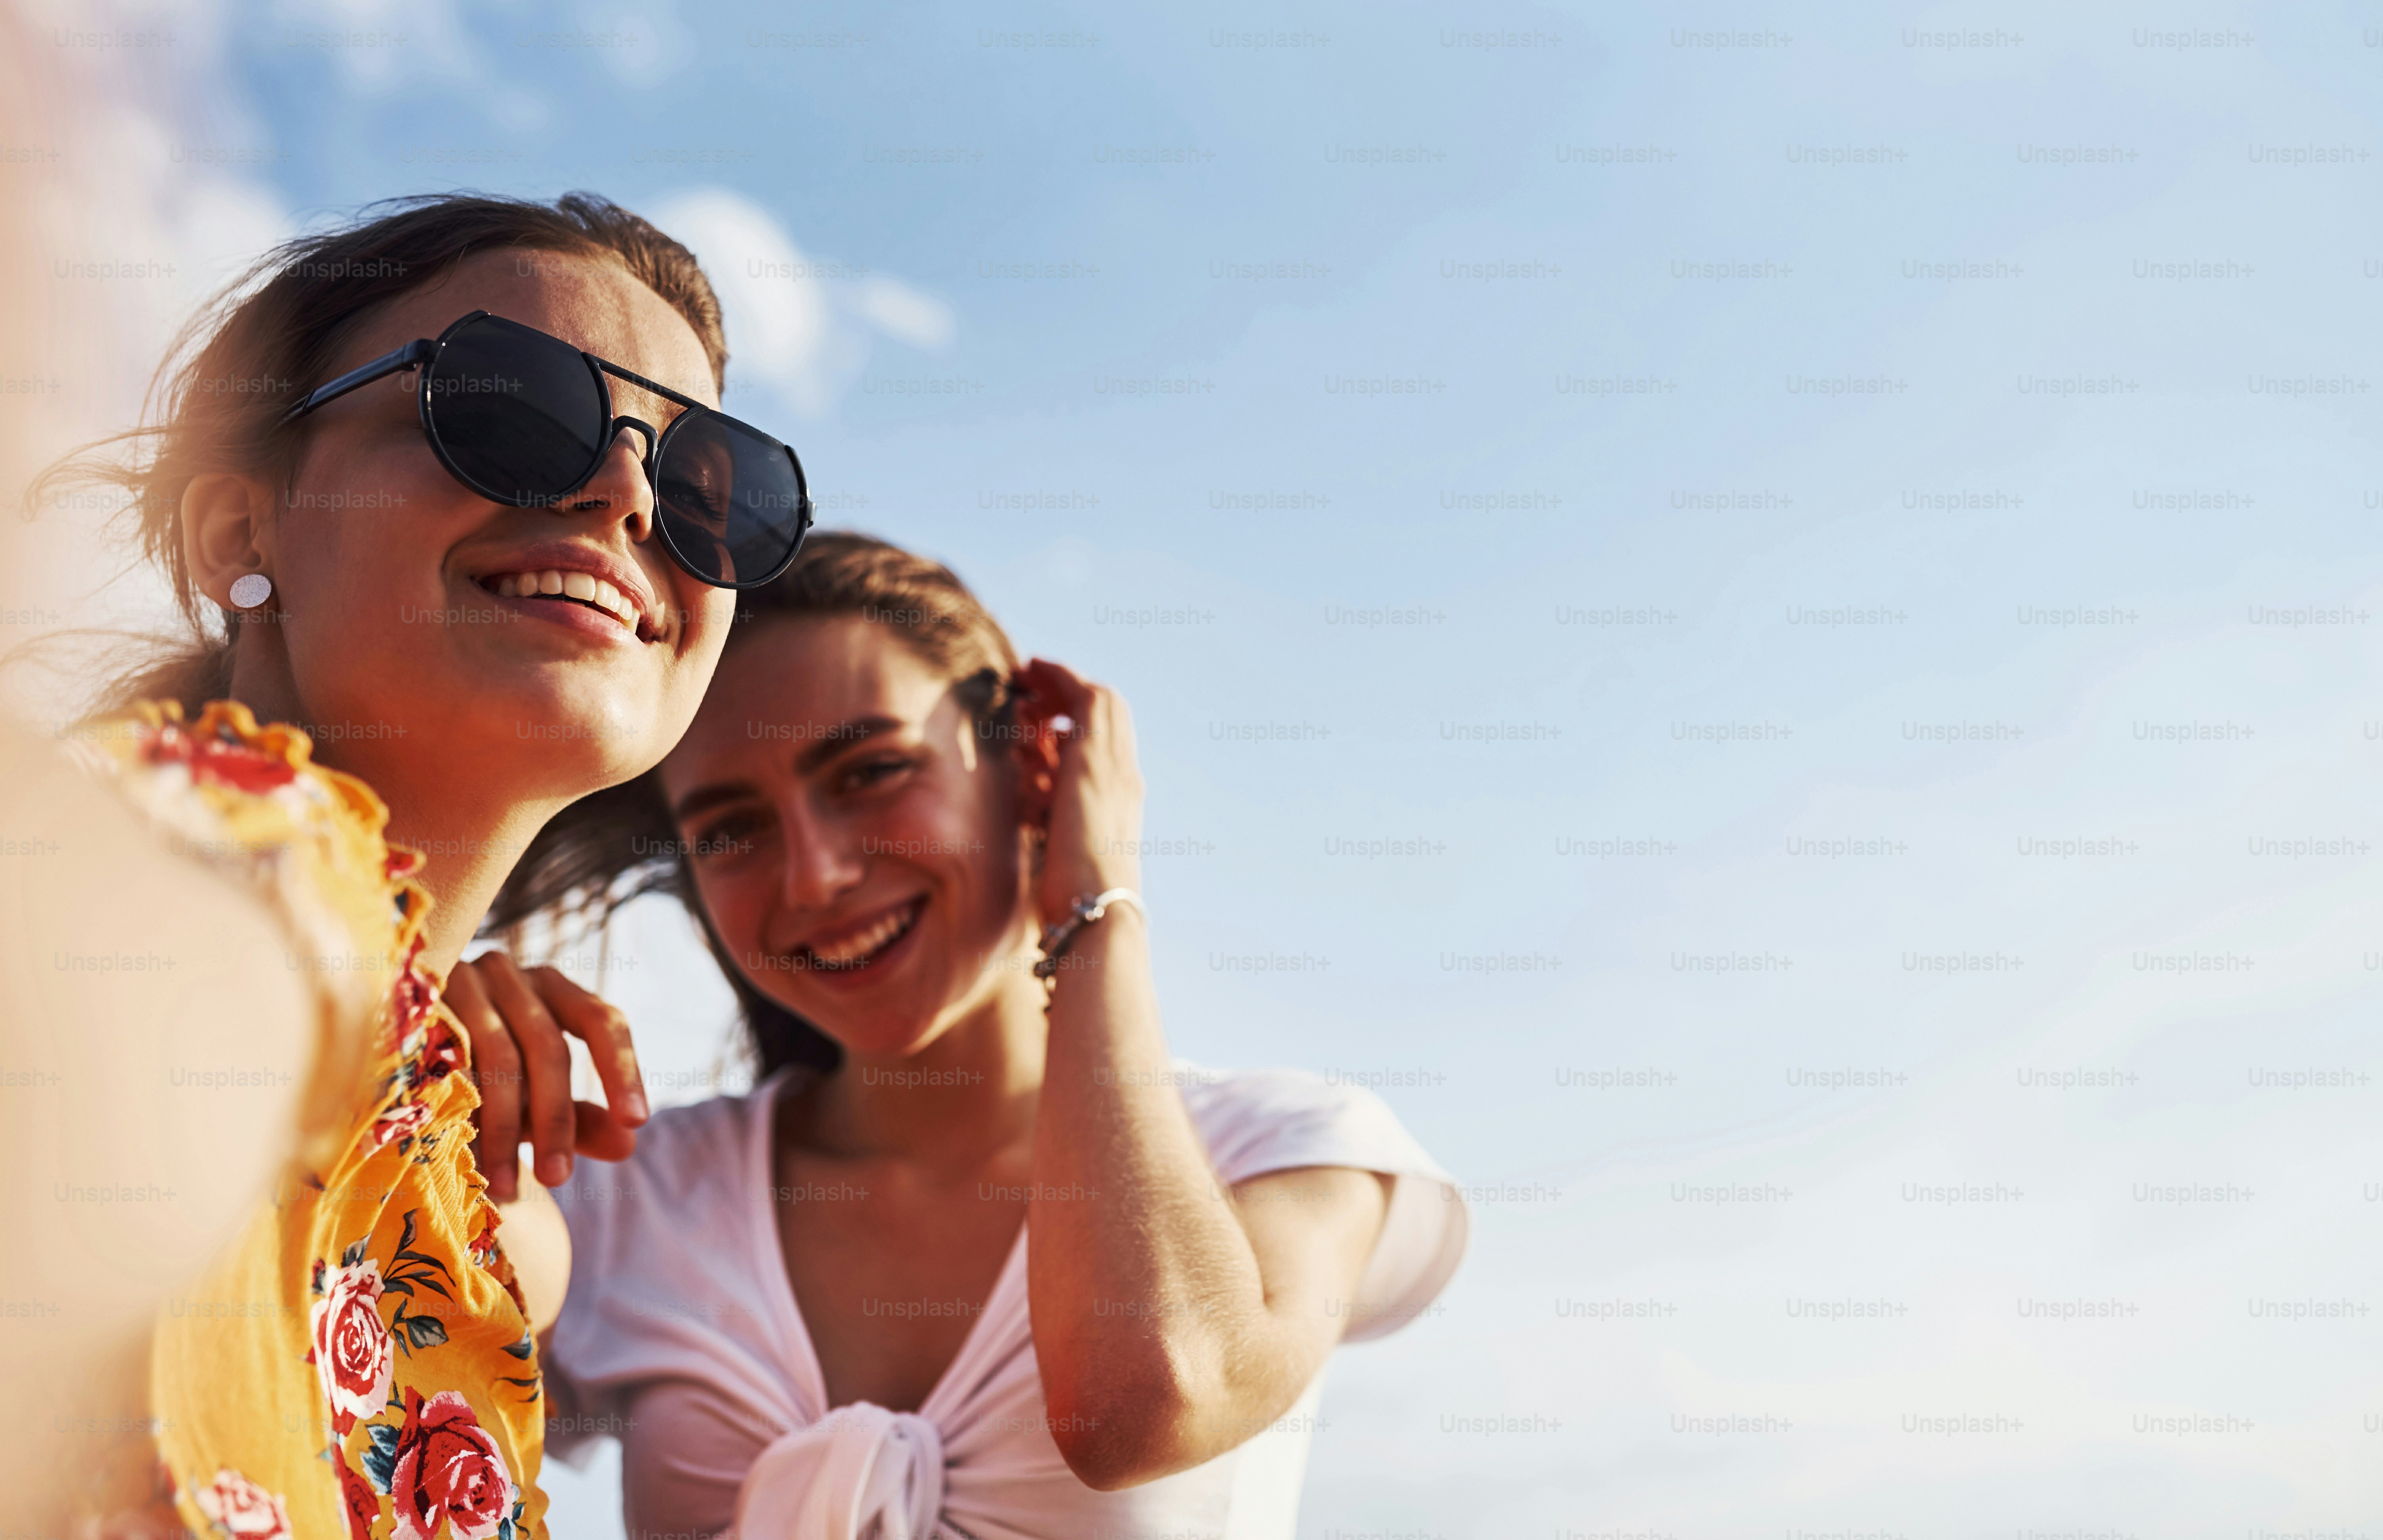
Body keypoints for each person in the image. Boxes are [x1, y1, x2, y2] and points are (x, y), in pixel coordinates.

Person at [34, 190, 814, 1537]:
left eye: (705, 488)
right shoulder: (86, 887)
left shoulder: (507, 1235)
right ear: (241, 537)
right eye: (510, 407)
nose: (626, 494)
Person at [488, 534, 1469, 1538]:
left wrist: (1098, 912)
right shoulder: (628, 1199)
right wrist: (425, 1057)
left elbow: (1149, 1403)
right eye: (733, 830)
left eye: (870, 772)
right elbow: (355, 1399)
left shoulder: (1287, 1152)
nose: (815, 875)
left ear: (1033, 766)